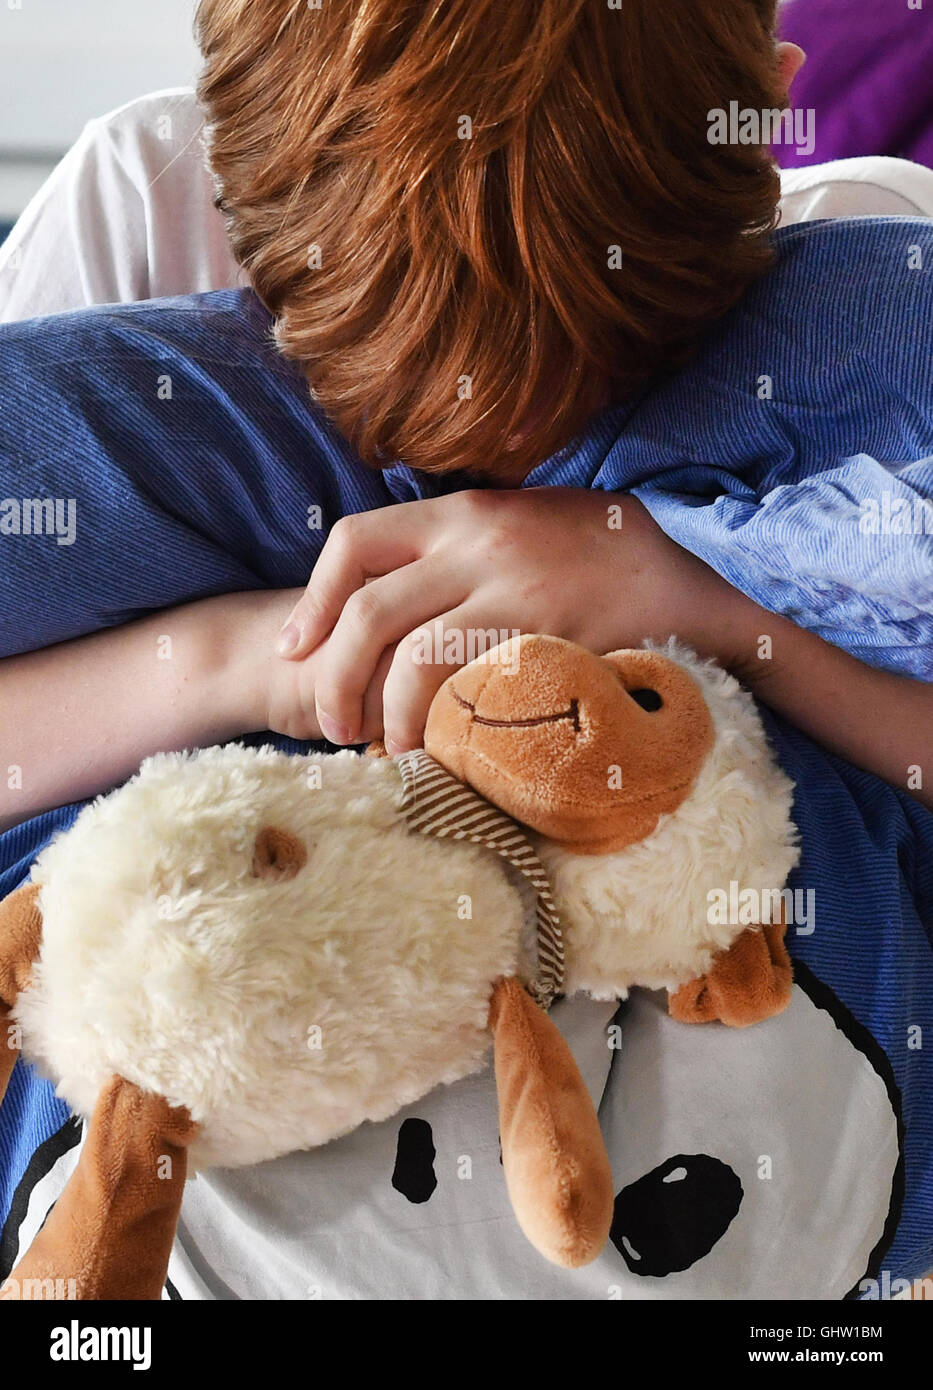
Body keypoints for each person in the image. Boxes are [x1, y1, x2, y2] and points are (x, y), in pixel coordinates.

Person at [0, 1, 931, 1297]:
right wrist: (248, 655)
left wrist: (685, 588)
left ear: (776, 119)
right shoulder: (142, 200)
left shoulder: (856, 248)